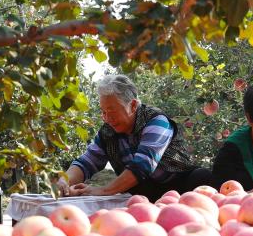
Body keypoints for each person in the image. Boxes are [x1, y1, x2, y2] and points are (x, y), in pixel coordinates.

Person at [56, 74, 212, 200]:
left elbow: (142, 165)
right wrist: (65, 180)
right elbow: (87, 161)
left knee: (202, 178)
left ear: (132, 105)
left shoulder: (156, 121)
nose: (107, 118)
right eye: (103, 112)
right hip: (146, 192)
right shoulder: (107, 132)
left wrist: (103, 190)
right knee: (137, 190)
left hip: (179, 185)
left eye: (112, 111)